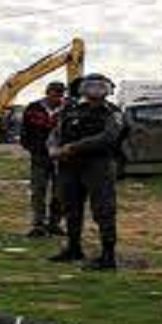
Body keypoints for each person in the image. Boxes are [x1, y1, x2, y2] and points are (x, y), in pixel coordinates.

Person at [47, 73, 125, 271]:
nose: (95, 90)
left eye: (100, 86)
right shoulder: (71, 110)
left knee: (104, 210)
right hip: (69, 166)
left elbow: (109, 137)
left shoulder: (112, 112)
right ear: (82, 88)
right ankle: (73, 248)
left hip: (98, 166)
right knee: (71, 207)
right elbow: (55, 132)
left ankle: (108, 256)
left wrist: (73, 147)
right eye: (91, 86)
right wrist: (53, 149)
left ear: (108, 89)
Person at [20, 81, 66, 238]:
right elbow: (25, 131)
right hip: (40, 156)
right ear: (48, 92)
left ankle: (54, 223)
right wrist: (32, 148)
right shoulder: (33, 108)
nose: (57, 96)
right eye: (55, 92)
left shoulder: (67, 109)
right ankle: (38, 224)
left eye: (60, 93)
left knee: (59, 192)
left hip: (61, 157)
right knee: (38, 190)